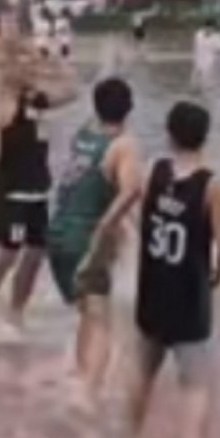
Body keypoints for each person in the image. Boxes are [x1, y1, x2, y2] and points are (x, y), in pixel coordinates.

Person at [128, 101, 220, 438]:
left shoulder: (152, 172)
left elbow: (137, 215)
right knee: (195, 384)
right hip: (189, 295)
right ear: (205, 136)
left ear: (168, 132)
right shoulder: (213, 187)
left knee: (142, 373)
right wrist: (219, 275)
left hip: (152, 289)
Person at [47, 77, 143, 401]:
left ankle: (79, 380)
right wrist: (107, 225)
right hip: (84, 237)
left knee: (88, 312)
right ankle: (88, 397)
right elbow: (131, 191)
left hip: (57, 233)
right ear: (130, 109)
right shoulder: (125, 145)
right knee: (101, 319)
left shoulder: (83, 136)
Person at [0, 86, 53, 327]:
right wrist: (11, 82)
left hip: (39, 188)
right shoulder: (5, 98)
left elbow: (70, 92)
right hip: (13, 191)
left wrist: (50, 67)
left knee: (37, 252)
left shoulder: (41, 93)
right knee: (9, 252)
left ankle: (16, 311)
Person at [191, 22, 220, 88]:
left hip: (210, 60)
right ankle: (196, 89)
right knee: (196, 76)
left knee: (206, 77)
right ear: (204, 27)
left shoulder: (216, 37)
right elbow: (196, 46)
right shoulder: (199, 35)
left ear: (213, 29)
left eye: (211, 29)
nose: (209, 30)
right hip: (199, 58)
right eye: (207, 28)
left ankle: (206, 89)